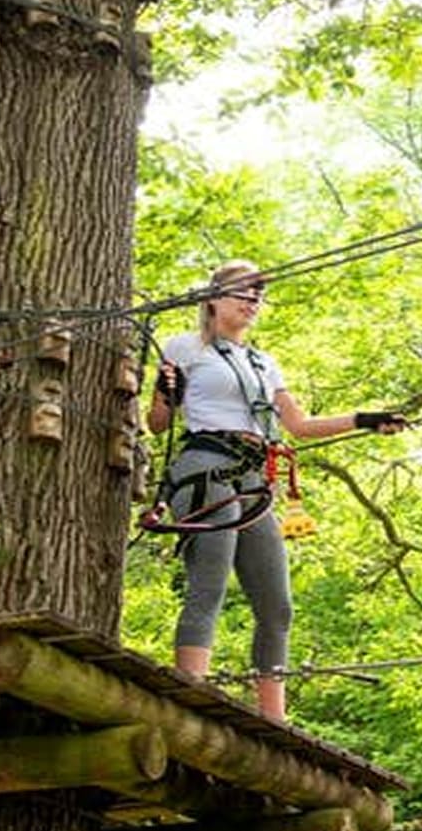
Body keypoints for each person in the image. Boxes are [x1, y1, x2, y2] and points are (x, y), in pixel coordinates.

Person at [146, 260, 406, 719]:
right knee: (210, 582)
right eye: (243, 293)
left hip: (255, 478)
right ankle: (189, 694)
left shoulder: (264, 362)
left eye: (258, 295)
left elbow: (299, 426)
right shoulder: (184, 347)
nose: (252, 302)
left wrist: (364, 420)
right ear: (213, 298)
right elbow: (158, 423)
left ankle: (274, 717)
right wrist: (169, 392)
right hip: (207, 467)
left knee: (276, 604)